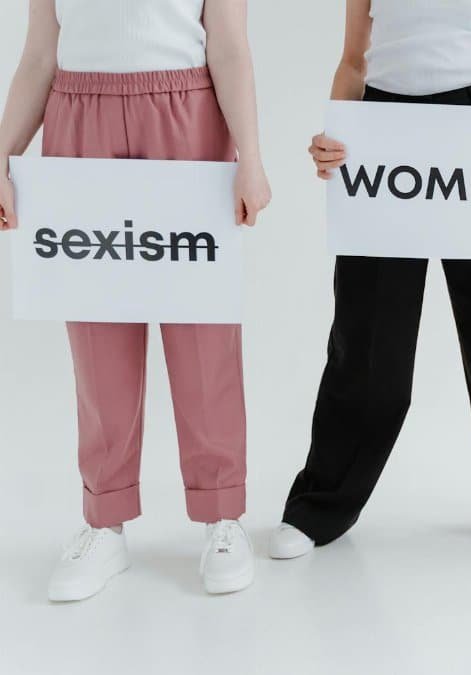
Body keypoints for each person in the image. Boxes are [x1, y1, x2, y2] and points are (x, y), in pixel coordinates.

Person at [269, 0, 471, 559]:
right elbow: (354, 61)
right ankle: (319, 505)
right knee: (367, 338)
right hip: (384, 129)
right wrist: (334, 133)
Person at [0, 0, 271, 600]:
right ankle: (105, 520)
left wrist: (249, 157)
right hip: (78, 118)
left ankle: (221, 514)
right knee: (96, 333)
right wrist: (1, 152)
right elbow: (40, 54)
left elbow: (227, 45)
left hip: (188, 113)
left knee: (203, 329)